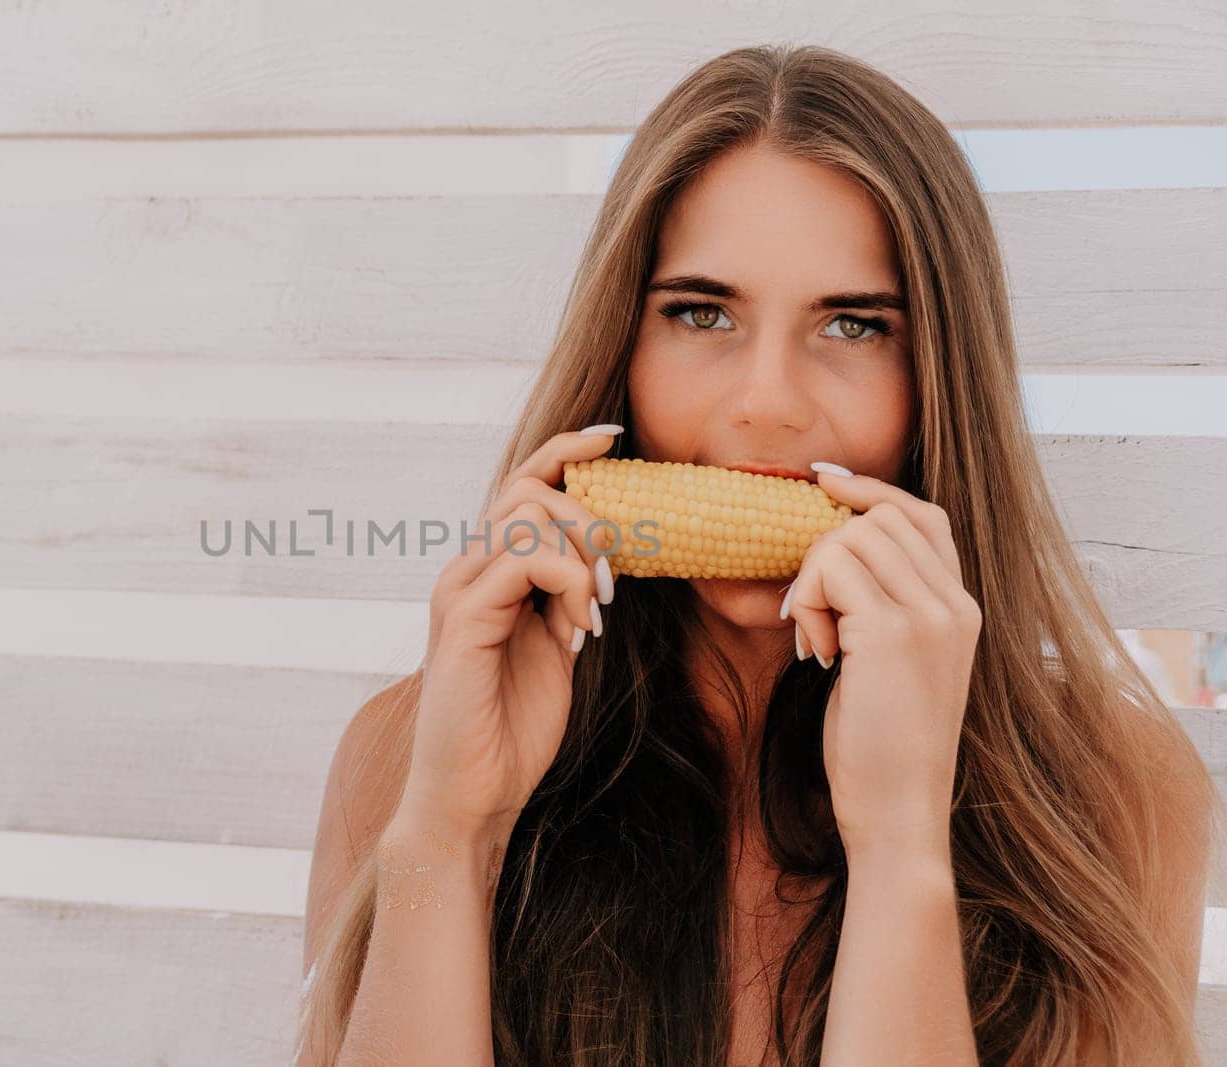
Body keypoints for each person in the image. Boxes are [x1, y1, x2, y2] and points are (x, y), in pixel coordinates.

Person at [295, 43, 1222, 1065]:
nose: (768, 402)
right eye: (700, 312)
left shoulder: (1116, 791)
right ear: (621, 351)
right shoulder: (405, 751)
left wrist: (900, 840)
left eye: (855, 325)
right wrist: (449, 833)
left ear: (937, 388)